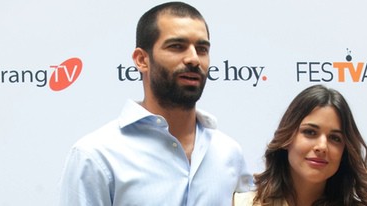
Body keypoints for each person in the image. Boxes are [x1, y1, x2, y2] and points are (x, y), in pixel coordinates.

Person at [59, 2, 252, 205]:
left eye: (202, 49)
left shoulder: (228, 152)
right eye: (177, 46)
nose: (194, 59)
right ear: (142, 59)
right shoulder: (96, 155)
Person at [234, 85, 367, 206]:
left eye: (335, 138)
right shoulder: (242, 204)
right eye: (310, 132)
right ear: (287, 138)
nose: (322, 146)